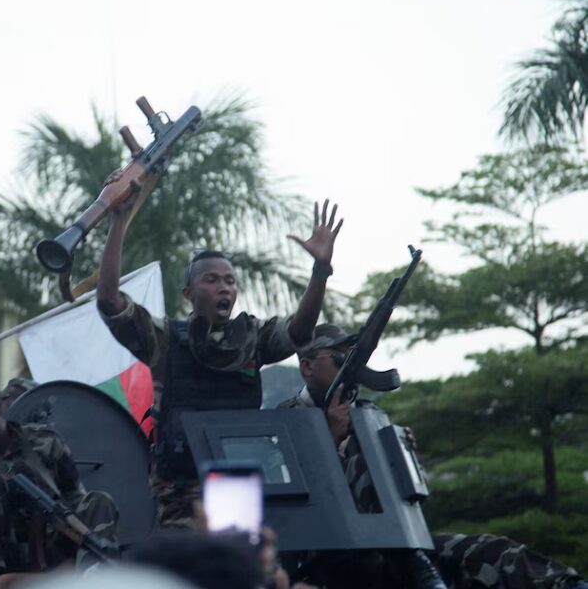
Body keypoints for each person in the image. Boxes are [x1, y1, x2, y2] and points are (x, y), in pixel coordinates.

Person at [96, 192, 343, 528]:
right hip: (181, 491)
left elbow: (299, 332)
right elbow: (111, 302)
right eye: (211, 280)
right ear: (189, 294)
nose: (223, 288)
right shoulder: (166, 339)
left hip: (237, 485)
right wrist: (118, 220)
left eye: (229, 281)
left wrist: (320, 270)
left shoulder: (253, 337)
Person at [280, 323, 586, 589]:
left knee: (493, 552)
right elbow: (292, 499)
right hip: (329, 554)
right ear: (307, 367)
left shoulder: (367, 413)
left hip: (397, 548)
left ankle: (569, 583)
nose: (351, 366)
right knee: (364, 460)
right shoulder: (286, 419)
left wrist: (404, 458)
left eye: (354, 357)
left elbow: (417, 491)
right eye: (339, 357)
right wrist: (332, 435)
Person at [0, 367, 119, 587]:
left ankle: (95, 578)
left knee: (99, 500)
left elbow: (75, 503)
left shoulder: (45, 443)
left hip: (47, 550)